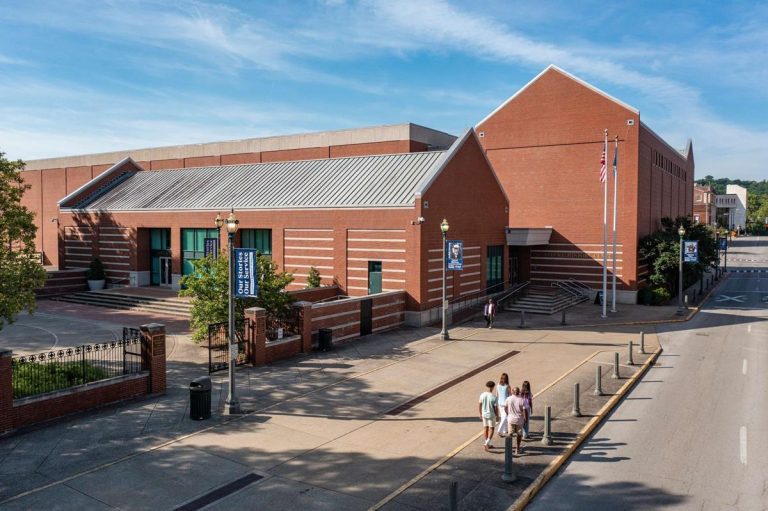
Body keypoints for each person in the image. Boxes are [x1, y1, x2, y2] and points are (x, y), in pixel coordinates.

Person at [504, 386, 527, 455]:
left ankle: (509, 449)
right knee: (519, 434)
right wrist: (525, 418)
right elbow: (524, 410)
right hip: (519, 420)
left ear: (512, 392)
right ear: (518, 392)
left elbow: (505, 407)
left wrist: (508, 414)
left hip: (510, 419)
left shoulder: (508, 399)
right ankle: (517, 448)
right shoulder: (522, 399)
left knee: (510, 434)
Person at [478, 380, 499, 451]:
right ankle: (487, 443)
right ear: (493, 387)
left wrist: (480, 413)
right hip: (491, 415)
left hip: (484, 414)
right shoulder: (494, 397)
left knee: (485, 428)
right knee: (492, 428)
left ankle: (487, 443)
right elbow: (496, 408)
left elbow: (480, 404)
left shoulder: (482, 395)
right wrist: (497, 416)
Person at [495, 373, 511, 437]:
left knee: (503, 417)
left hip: (500, 403)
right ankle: (499, 431)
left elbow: (497, 395)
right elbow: (510, 395)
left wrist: (496, 402)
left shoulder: (498, 385)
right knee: (504, 417)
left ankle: (504, 430)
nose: (503, 379)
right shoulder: (508, 386)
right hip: (505, 404)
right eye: (503, 378)